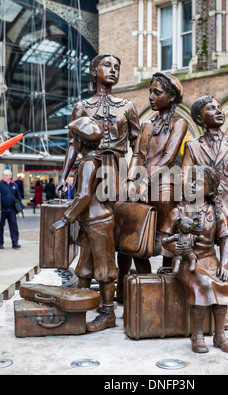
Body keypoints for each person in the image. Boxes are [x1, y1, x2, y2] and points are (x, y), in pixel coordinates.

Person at [55, 53, 140, 304]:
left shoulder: (128, 106)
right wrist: (63, 176)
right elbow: (73, 144)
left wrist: (133, 176)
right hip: (90, 166)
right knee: (89, 227)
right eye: (107, 65)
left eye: (117, 66)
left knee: (115, 229)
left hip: (117, 168)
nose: (113, 70)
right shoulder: (82, 106)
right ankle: (89, 293)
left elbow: (138, 144)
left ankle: (114, 291)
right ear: (94, 71)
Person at [182, 95, 228, 330]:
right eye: (211, 109)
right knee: (200, 259)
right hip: (201, 212)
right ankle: (202, 303)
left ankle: (226, 306)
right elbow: (185, 176)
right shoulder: (192, 146)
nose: (219, 111)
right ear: (201, 118)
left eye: (219, 107)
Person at [161, 166, 228, 354]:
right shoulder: (178, 211)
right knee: (203, 282)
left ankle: (220, 335)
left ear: (210, 190)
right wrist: (173, 247)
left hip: (209, 259)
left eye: (199, 183)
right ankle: (197, 335)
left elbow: (225, 239)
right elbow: (163, 238)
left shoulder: (215, 212)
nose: (193, 185)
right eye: (191, 180)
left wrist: (224, 263)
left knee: (221, 281)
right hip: (186, 261)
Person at [51, 117, 117, 333]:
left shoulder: (89, 163)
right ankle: (80, 307)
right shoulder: (90, 160)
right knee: (84, 268)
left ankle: (108, 314)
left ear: (80, 142)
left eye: (73, 139)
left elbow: (84, 195)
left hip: (99, 223)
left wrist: (65, 218)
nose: (71, 143)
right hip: (90, 223)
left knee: (105, 270)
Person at [127, 72, 188, 274]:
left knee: (165, 237)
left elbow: (169, 157)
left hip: (164, 185)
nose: (151, 96)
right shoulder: (146, 125)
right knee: (137, 235)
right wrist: (130, 180)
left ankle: (166, 278)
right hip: (140, 184)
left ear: (171, 97)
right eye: (150, 92)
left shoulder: (178, 123)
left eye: (157, 92)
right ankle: (144, 281)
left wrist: (145, 182)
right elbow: (135, 155)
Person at [0, 169, 24, 249]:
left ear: (10, 176)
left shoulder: (14, 185)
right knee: (0, 227)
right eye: (4, 175)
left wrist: (21, 208)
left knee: (13, 226)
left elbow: (18, 197)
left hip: (12, 209)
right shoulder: (0, 184)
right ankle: (0, 243)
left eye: (6, 175)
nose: (4, 176)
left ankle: (15, 242)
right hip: (2, 209)